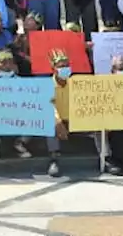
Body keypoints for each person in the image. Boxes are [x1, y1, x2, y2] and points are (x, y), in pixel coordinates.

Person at [45, 49, 72, 177]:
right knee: (50, 125)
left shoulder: (77, 83)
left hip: (76, 119)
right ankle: (54, 159)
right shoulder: (47, 85)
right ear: (54, 68)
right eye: (61, 66)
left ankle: (106, 157)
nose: (65, 68)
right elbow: (48, 107)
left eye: (67, 65)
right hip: (58, 120)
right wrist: (58, 121)